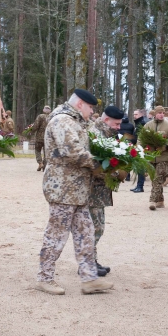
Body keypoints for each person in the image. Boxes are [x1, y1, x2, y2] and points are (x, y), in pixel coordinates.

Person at [34, 89, 115, 296]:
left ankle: (89, 279)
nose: (91, 112)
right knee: (56, 235)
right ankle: (44, 278)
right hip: (62, 189)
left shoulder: (76, 121)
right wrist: (102, 165)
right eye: (90, 108)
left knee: (86, 234)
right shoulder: (63, 121)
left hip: (77, 190)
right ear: (80, 104)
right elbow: (73, 152)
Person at [88, 105, 126, 277]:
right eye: (116, 124)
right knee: (95, 228)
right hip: (90, 189)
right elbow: (93, 164)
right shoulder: (94, 133)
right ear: (105, 120)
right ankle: (88, 263)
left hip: (100, 190)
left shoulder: (107, 134)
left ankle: (90, 261)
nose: (119, 127)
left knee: (97, 227)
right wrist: (116, 173)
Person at [142, 105, 168, 210]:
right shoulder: (148, 125)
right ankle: (160, 201)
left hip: (163, 157)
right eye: (159, 113)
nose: (161, 115)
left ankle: (152, 200)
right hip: (151, 156)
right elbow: (141, 138)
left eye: (163, 113)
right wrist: (141, 148)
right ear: (155, 114)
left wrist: (166, 147)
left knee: (157, 178)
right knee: (155, 179)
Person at [130, 109, 147, 193]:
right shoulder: (137, 123)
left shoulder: (142, 123)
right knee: (139, 168)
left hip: (141, 148)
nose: (134, 116)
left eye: (136, 114)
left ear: (140, 114)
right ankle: (138, 185)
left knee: (141, 167)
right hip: (137, 147)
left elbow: (141, 137)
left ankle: (140, 186)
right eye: (134, 114)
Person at [32, 105, 51, 171]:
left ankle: (40, 163)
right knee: (46, 152)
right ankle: (45, 165)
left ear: (43, 110)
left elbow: (36, 126)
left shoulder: (40, 116)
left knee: (37, 150)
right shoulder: (52, 117)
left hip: (39, 137)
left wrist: (31, 131)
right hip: (48, 138)